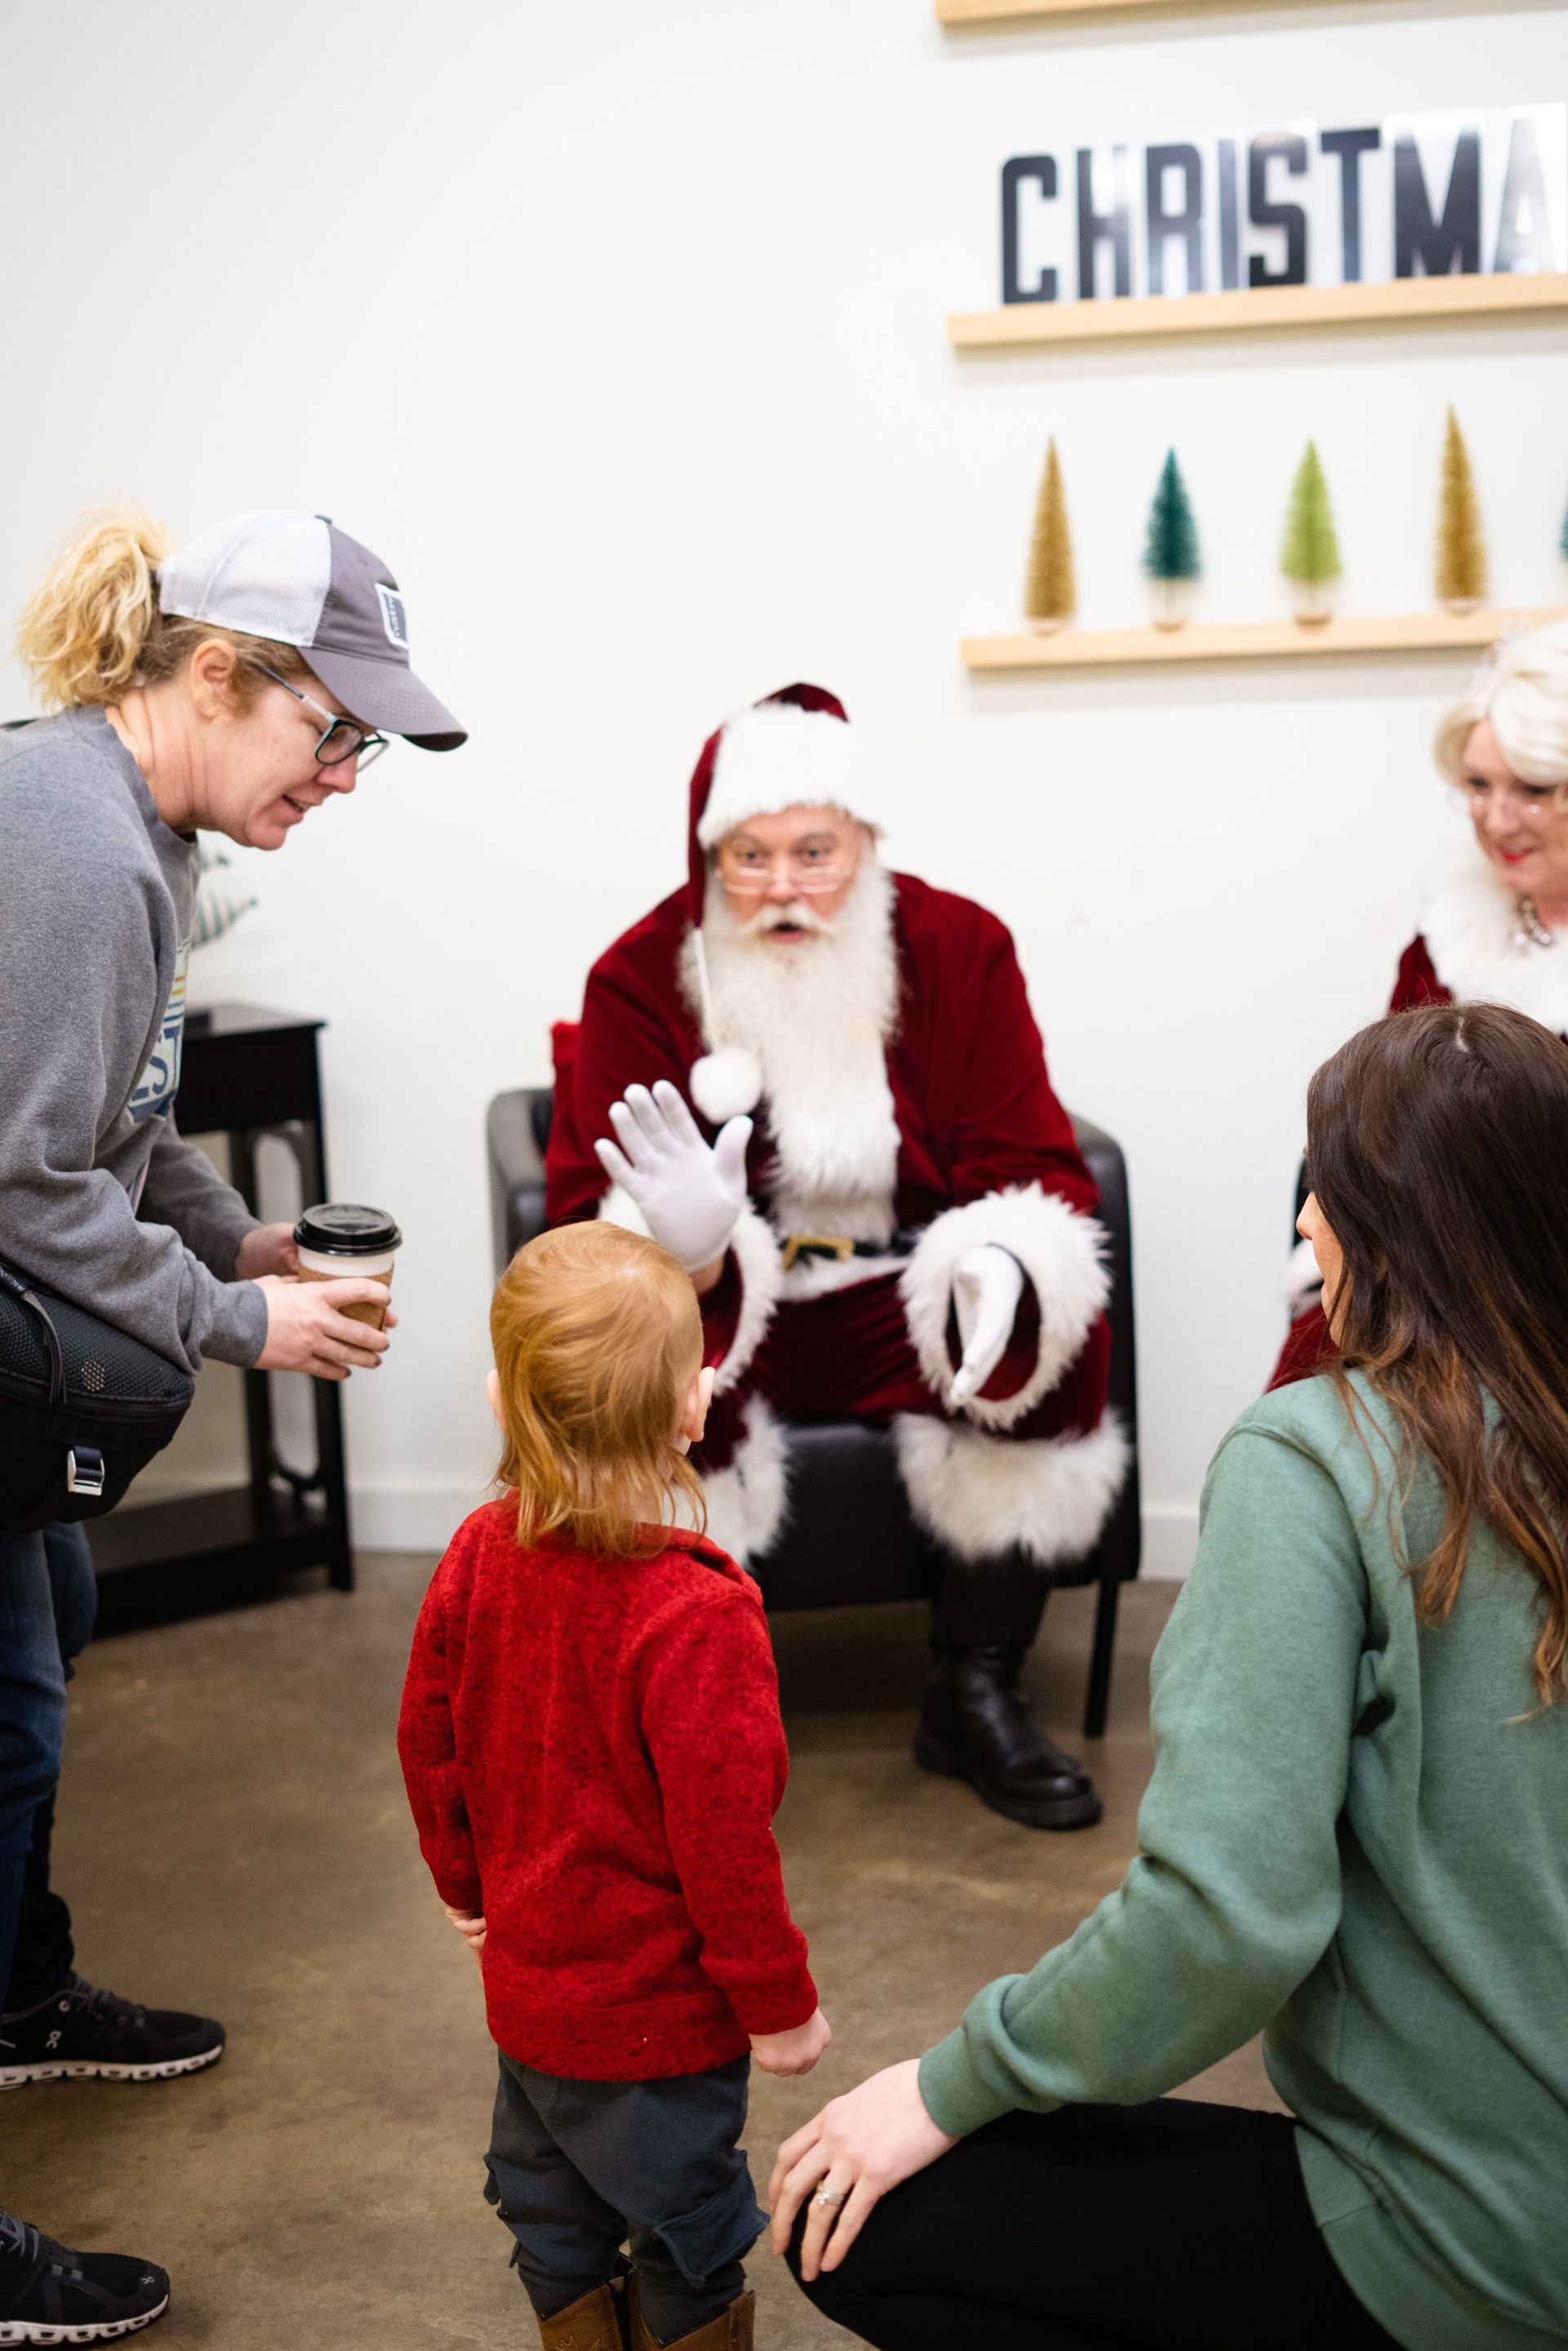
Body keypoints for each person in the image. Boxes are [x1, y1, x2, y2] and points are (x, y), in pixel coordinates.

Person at [769, 1002, 1568, 2351]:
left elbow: (1226, 1914)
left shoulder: (1318, 1461)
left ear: (1349, 1222)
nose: (1304, 1215)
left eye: (1320, 1184)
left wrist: (954, 2081)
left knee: (846, 2215)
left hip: (1473, 2242)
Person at [0, 508, 464, 2337]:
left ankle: (21, 1995)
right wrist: (235, 1317)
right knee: (3, 1711)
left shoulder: (140, 839)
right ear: (214, 674)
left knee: (48, 1655)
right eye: (331, 730)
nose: (346, 774)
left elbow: (120, 1123)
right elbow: (26, 1185)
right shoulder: (73, 844)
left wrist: (238, 1236)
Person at [545, 683, 1124, 1831]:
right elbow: (578, 1212)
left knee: (1046, 1325)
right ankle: (677, 1713)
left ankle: (974, 1683)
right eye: (749, 857)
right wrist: (685, 1245)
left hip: (897, 1286)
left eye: (815, 851)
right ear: (712, 856)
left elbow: (1032, 1155)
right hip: (722, 1300)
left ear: (866, 841)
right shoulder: (639, 972)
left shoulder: (959, 946)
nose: (783, 888)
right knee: (633, 1361)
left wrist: (1004, 1261)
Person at [398, 1220, 826, 2351]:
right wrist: (776, 2000)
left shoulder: (476, 1554)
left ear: (500, 1397)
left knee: (551, 2218)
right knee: (688, 2234)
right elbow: (724, 1840)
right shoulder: (698, 1614)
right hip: (662, 2028)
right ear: (696, 1402)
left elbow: (427, 1739)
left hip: (528, 1999)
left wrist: (464, 1882)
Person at [1278, 617, 1568, 1378]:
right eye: (1478, 784)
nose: (1496, 819)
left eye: (1534, 790)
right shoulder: (1446, 933)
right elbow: (1377, 1112)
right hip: (1415, 1277)